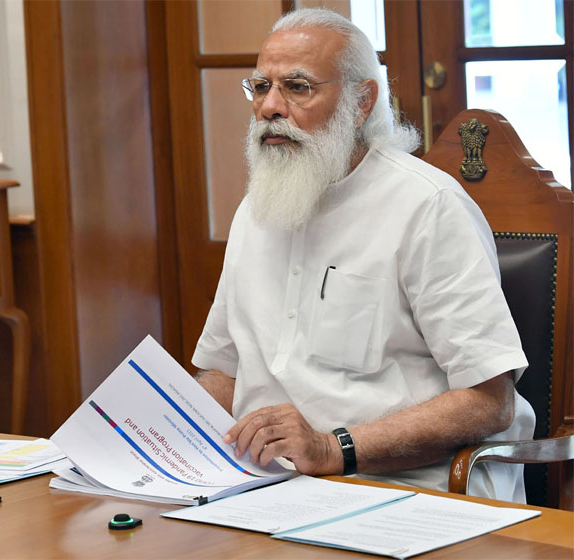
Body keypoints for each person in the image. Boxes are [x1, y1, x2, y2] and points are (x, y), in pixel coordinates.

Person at [193, 8, 534, 503]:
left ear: (361, 101)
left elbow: (489, 401)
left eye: (297, 87)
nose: (269, 107)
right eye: (260, 87)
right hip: (265, 486)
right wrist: (160, 434)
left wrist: (333, 449)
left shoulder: (428, 206)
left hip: (406, 489)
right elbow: (224, 372)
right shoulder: (256, 209)